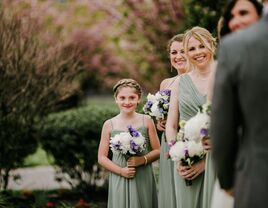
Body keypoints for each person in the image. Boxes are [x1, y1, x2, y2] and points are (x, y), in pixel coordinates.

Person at [203, 1, 263, 207]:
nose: (237, 21)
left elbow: (222, 125)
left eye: (244, 13)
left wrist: (227, 181)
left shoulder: (233, 50)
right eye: (232, 17)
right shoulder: (229, 55)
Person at [166, 26, 216, 208]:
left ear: (211, 44)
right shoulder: (180, 82)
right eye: (191, 49)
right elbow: (171, 126)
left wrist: (206, 162)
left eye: (201, 46)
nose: (197, 52)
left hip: (219, 158)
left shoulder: (226, 75)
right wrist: (177, 155)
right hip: (187, 162)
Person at [98, 78, 160, 208]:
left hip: (142, 175)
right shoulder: (109, 125)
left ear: (138, 99)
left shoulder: (146, 120)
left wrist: (142, 159)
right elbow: (102, 158)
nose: (127, 102)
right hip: (119, 175)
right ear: (116, 99)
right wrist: (121, 171)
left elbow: (158, 150)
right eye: (122, 98)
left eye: (132, 97)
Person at [157, 33, 187, 208]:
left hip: (187, 141)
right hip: (167, 143)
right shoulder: (165, 83)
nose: (178, 56)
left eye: (182, 51)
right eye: (173, 52)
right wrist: (160, 122)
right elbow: (164, 115)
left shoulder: (198, 80)